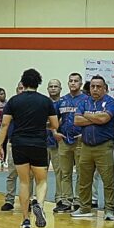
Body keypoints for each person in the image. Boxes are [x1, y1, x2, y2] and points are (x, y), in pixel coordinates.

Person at [0, 69, 59, 228]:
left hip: (19, 144)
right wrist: (41, 124)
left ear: (23, 83)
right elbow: (55, 125)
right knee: (42, 180)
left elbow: (4, 125)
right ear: (39, 83)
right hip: (38, 144)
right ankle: (39, 204)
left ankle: (25, 220)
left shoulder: (14, 101)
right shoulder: (46, 102)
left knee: (24, 182)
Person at [71, 75, 114, 221]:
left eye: (99, 86)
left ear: (104, 88)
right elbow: (76, 120)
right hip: (86, 145)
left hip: (104, 146)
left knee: (108, 179)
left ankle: (109, 209)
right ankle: (84, 207)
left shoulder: (110, 102)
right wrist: (95, 118)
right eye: (92, 86)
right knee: (84, 179)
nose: (95, 89)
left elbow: (104, 119)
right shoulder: (84, 101)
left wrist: (87, 115)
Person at [53, 73, 87, 213]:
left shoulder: (86, 100)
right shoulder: (62, 100)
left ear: (80, 83)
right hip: (64, 141)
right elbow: (54, 118)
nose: (73, 83)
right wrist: (55, 132)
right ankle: (66, 200)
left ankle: (79, 200)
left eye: (76, 81)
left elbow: (90, 118)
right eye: (71, 81)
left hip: (80, 141)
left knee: (81, 172)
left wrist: (84, 134)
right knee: (65, 172)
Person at [44, 78, 64, 206]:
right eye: (50, 86)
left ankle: (60, 198)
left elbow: (62, 122)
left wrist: (53, 125)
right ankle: (37, 198)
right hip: (42, 143)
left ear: (60, 89)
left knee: (60, 172)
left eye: (55, 86)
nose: (53, 88)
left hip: (58, 143)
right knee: (39, 172)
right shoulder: (43, 103)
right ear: (47, 89)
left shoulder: (63, 104)